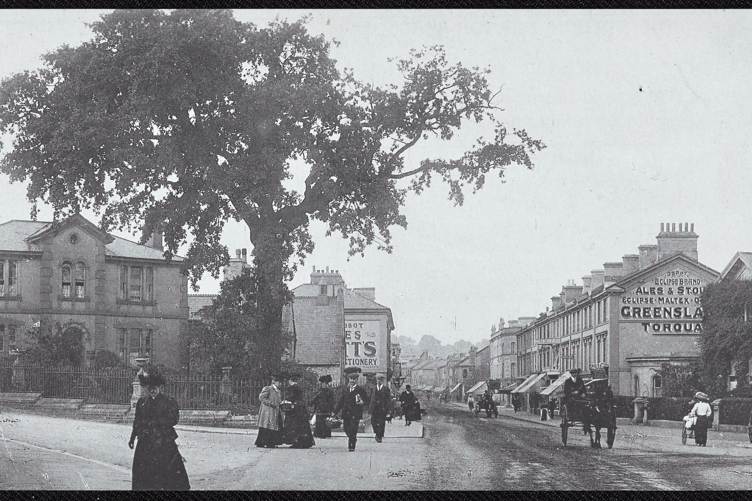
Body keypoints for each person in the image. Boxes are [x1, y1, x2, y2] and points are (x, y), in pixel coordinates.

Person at [128, 366, 190, 491]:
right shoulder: (142, 402)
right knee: (144, 473)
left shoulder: (169, 401)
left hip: (163, 441)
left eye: (155, 387)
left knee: (167, 471)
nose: (152, 390)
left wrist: (157, 423)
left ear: (160, 387)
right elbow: (137, 421)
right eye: (150, 388)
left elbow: (174, 419)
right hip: (145, 442)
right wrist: (132, 437)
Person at [333, 367, 370, 452]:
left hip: (355, 413)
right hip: (346, 413)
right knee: (346, 428)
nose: (352, 381)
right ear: (348, 379)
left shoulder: (360, 390)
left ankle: (351, 445)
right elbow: (340, 402)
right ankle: (352, 438)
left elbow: (367, 400)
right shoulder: (345, 390)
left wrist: (362, 402)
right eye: (351, 379)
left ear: (357, 380)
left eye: (354, 379)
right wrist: (335, 412)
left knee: (353, 428)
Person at [282, 374, 315, 449]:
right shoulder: (299, 387)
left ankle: (297, 442)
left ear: (290, 380)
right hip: (301, 408)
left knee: (294, 426)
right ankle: (304, 442)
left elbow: (292, 397)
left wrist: (285, 400)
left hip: (295, 409)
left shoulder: (292, 387)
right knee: (302, 426)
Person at [255, 375, 284, 448]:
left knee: (272, 426)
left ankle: (270, 442)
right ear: (274, 382)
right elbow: (261, 397)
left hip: (275, 411)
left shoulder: (278, 391)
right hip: (268, 411)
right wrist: (270, 403)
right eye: (278, 382)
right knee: (266, 426)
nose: (280, 384)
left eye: (281, 382)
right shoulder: (268, 388)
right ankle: (264, 443)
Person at [311, 374, 335, 439]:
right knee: (319, 421)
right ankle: (319, 433)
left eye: (325, 383)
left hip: (327, 409)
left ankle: (326, 433)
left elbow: (332, 401)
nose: (324, 385)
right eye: (323, 383)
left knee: (326, 422)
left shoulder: (329, 392)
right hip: (319, 408)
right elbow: (315, 400)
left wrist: (332, 409)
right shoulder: (318, 391)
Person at [369, 374, 391, 443]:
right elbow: (370, 398)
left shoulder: (386, 389)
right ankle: (376, 432)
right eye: (378, 380)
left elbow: (388, 400)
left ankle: (379, 436)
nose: (379, 381)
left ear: (383, 381)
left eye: (381, 380)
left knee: (381, 423)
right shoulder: (373, 388)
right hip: (374, 408)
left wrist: (389, 410)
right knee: (373, 422)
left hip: (382, 408)